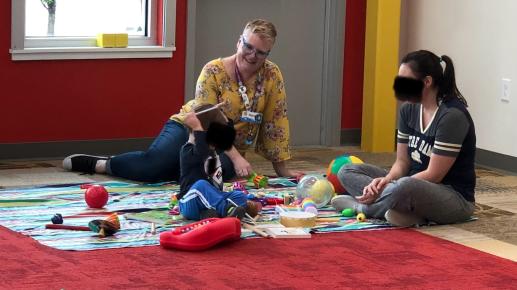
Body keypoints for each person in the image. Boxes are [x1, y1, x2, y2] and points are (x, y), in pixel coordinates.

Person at [62, 19, 303, 182]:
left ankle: (177, 167)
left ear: (268, 54)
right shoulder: (213, 71)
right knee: (153, 167)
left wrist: (283, 172)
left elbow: (275, 123)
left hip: (226, 147)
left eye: (260, 52)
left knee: (211, 175)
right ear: (239, 41)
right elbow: (206, 119)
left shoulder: (272, 75)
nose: (252, 55)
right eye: (248, 47)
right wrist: (238, 157)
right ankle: (105, 165)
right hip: (191, 126)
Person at [331, 50, 476, 227]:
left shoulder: (452, 116)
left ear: (427, 82)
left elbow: (434, 175)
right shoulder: (408, 110)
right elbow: (402, 162)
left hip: (453, 197)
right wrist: (386, 180)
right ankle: (411, 215)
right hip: (409, 184)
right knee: (347, 171)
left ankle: (362, 208)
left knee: (403, 186)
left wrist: (391, 186)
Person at [177, 104, 259, 220]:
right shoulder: (187, 151)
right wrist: (197, 127)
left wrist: (221, 115)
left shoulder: (212, 147)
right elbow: (202, 150)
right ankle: (227, 210)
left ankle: (210, 214)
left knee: (239, 195)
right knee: (201, 185)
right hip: (190, 202)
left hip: (213, 201)